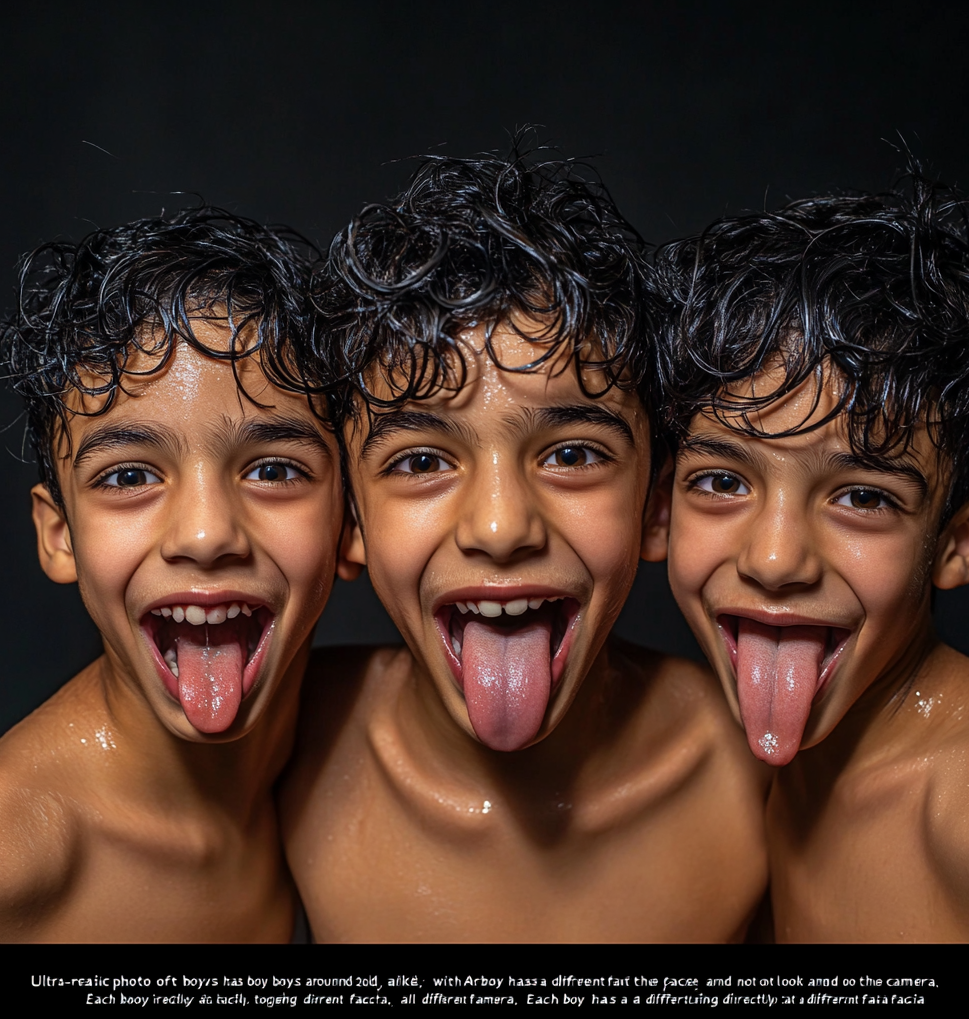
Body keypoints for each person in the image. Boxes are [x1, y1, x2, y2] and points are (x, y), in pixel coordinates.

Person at [281, 146, 771, 942]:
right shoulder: (285, 747)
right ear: (350, 523)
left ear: (655, 505)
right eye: (422, 461)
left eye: (573, 454)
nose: (502, 527)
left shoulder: (761, 771)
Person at [656, 172, 969, 941]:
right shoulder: (758, 787)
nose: (778, 556)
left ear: (960, 542)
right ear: (659, 509)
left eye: (863, 497)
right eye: (722, 481)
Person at [0, 209, 344, 941]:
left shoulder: (356, 741)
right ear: (59, 536)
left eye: (274, 470)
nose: (206, 533)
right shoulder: (19, 855)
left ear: (352, 521)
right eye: (128, 476)